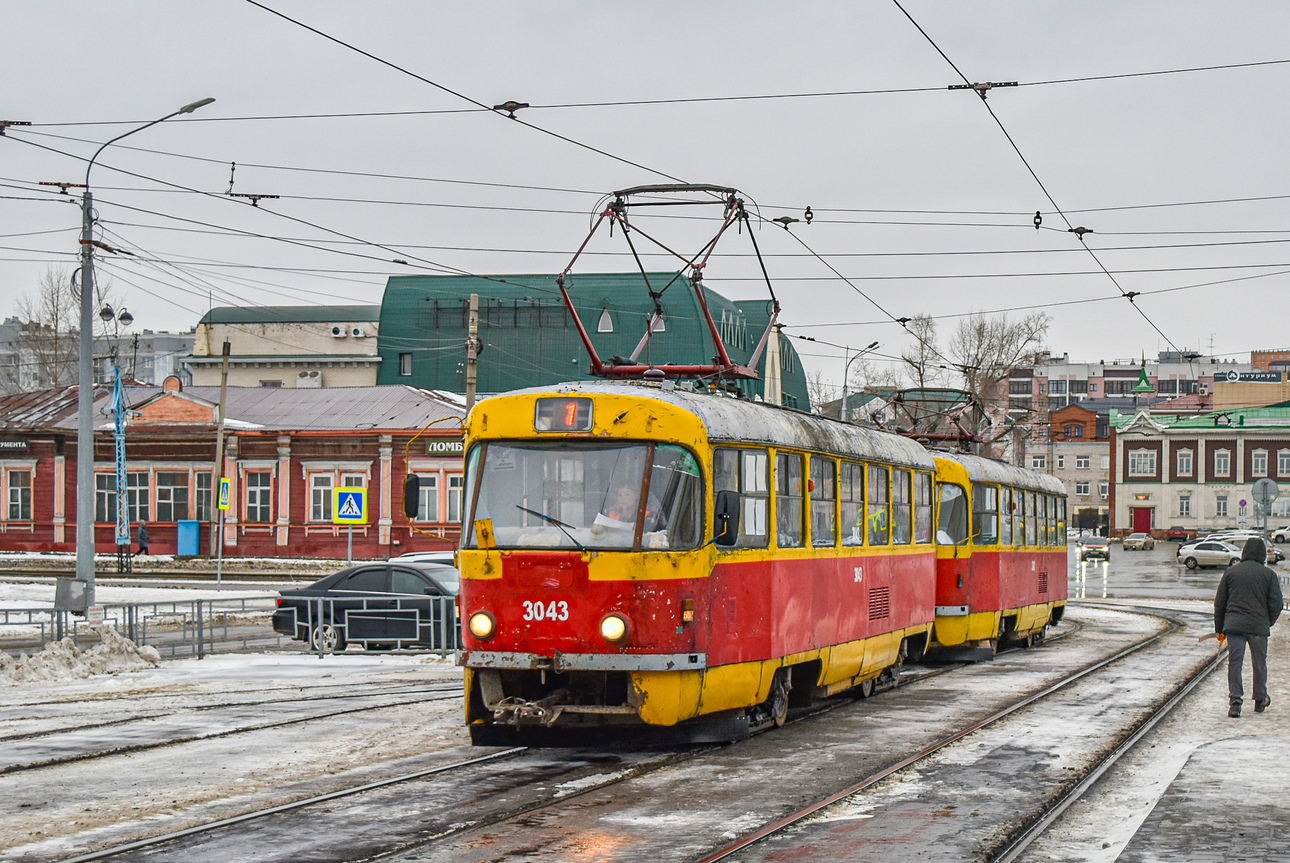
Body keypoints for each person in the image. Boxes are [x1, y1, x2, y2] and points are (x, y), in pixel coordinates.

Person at [1214, 536, 1283, 718]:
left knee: (1235, 663)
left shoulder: (1231, 573)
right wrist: (1268, 621)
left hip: (1234, 626)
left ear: (1244, 552)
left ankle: (1235, 703)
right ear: (1261, 554)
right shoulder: (1268, 575)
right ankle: (1260, 699)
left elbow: (1220, 604)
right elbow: (1277, 604)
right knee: (1259, 663)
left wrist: (1219, 630)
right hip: (1258, 627)